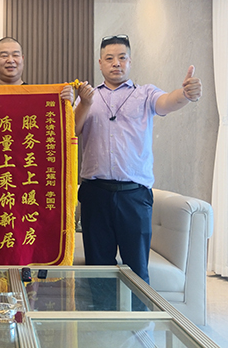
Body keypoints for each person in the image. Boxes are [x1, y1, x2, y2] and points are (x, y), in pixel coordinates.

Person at [74, 34, 202, 284]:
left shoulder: (145, 94)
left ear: (130, 61)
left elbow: (167, 102)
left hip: (134, 195)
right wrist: (85, 103)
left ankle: (140, 312)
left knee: (137, 268)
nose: (116, 63)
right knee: (97, 269)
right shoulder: (88, 96)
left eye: (122, 57)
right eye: (109, 58)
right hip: (95, 193)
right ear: (100, 63)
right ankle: (101, 312)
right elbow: (72, 130)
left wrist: (185, 94)